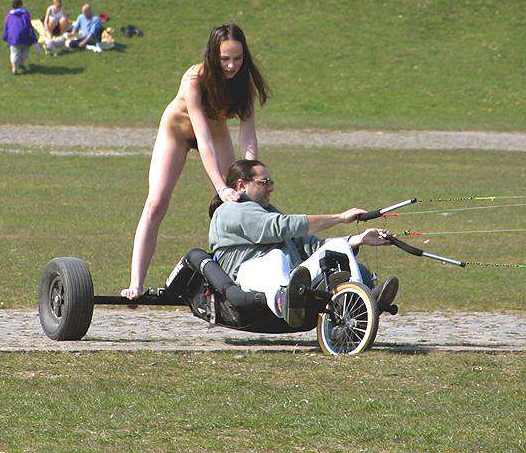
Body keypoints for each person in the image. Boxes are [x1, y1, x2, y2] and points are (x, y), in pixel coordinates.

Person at [121, 23, 270, 300]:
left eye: (237, 58)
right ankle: (136, 283)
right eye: (225, 58)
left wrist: (253, 181)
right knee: (156, 203)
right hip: (177, 134)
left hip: (216, 133)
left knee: (235, 206)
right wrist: (221, 186)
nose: (231, 65)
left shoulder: (244, 82)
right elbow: (203, 140)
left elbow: (248, 136)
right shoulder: (194, 79)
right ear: (212, 55)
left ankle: (235, 276)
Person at [208, 159, 399, 327]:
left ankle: (361, 301)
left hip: (293, 280)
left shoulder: (267, 211)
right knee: (276, 257)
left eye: (271, 182)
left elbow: (312, 246)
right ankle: (284, 300)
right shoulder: (230, 210)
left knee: (338, 250)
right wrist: (340, 218)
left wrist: (360, 239)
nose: (271, 188)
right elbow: (279, 226)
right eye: (264, 182)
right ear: (241, 185)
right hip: (247, 281)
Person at [2, 0, 36, 75]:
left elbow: (6, 26)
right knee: (25, 51)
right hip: (25, 37)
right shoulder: (25, 14)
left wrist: (5, 36)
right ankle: (22, 63)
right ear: (20, 5)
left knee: (14, 52)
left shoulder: (9, 15)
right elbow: (29, 26)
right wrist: (33, 37)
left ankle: (14, 68)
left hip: (13, 38)